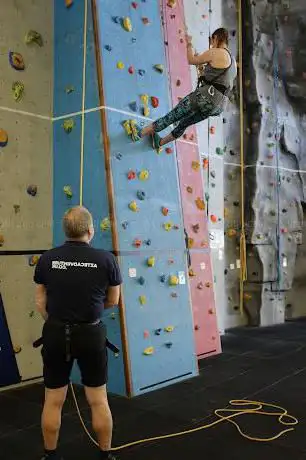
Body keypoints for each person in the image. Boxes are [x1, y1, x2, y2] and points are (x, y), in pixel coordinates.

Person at [34, 206, 122, 460]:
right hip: (90, 334)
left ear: (65, 231)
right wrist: (89, 312)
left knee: (53, 399)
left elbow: (40, 302)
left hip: (55, 332)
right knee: (98, 399)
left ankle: (50, 455)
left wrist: (56, 322)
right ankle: (105, 455)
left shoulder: (48, 258)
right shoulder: (107, 259)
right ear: (90, 231)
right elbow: (113, 301)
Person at [141, 27, 237, 150]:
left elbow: (191, 59)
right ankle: (159, 143)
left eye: (211, 41)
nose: (211, 45)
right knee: (185, 123)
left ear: (216, 38)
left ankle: (139, 134)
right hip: (218, 106)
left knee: (173, 116)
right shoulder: (233, 62)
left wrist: (189, 43)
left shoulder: (217, 52)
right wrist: (202, 70)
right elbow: (220, 82)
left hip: (205, 97)